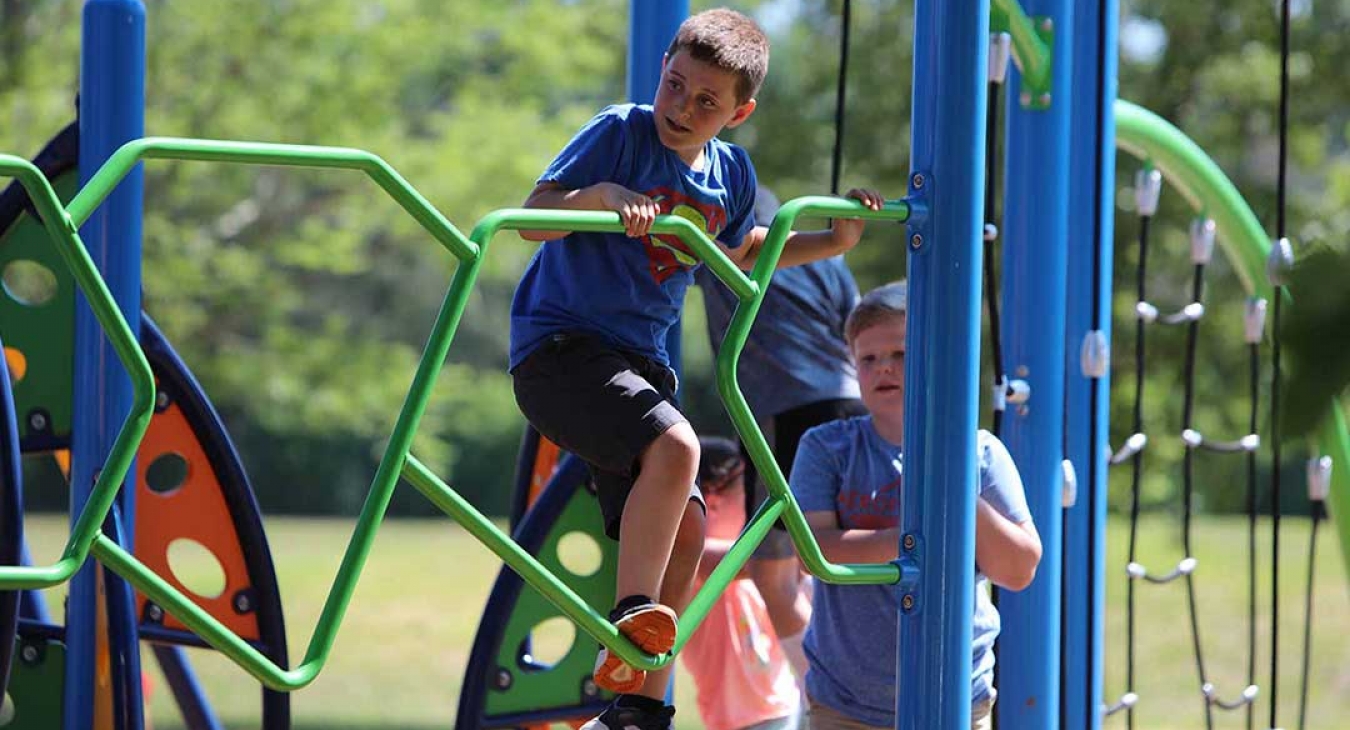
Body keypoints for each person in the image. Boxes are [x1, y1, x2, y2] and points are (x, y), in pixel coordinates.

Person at [509, 9, 886, 730]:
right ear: (662, 71)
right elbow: (532, 215)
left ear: (739, 113)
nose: (681, 108)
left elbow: (740, 252)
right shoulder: (621, 131)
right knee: (679, 446)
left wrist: (831, 241)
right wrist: (599, 199)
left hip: (641, 368)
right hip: (562, 351)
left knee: (686, 529)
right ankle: (629, 616)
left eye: (705, 101)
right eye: (675, 86)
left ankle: (638, 705)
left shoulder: (730, 174)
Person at [788, 281, 1042, 730]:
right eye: (868, 359)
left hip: (958, 697)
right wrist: (911, 539)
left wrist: (955, 491)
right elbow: (814, 552)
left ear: (936, 359)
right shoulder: (829, 448)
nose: (884, 367)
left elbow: (1018, 568)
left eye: (901, 355)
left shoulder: (978, 453)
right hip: (846, 704)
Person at [694, 185, 864, 692]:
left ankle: (826, 699)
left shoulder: (720, 237)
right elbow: (853, 322)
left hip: (782, 410)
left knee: (773, 573)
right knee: (820, 561)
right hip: (850, 402)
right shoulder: (824, 252)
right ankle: (852, 683)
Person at [680, 436, 800, 730]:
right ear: (712, 498)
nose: (754, 498)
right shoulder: (689, 557)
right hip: (737, 723)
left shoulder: (756, 560)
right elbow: (754, 565)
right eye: (745, 486)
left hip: (784, 706)